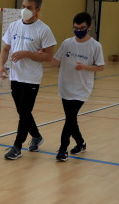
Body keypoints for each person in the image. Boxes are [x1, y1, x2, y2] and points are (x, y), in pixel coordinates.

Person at [0, 0, 56, 160]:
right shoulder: (14, 26)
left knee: (24, 111)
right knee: (22, 112)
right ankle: (36, 136)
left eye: (29, 8)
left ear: (37, 10)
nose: (24, 10)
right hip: (15, 76)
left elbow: (48, 57)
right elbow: (5, 49)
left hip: (31, 78)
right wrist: (2, 65)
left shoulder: (43, 30)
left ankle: (17, 146)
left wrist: (27, 54)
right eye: (23, 6)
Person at [44, 12, 105, 162]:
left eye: (82, 27)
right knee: (71, 119)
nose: (79, 30)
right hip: (65, 87)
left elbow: (101, 67)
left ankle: (63, 149)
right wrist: (42, 55)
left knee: (70, 119)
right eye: (76, 28)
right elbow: (54, 60)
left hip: (82, 88)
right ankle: (81, 143)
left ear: (89, 27)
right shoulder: (67, 43)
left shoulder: (95, 46)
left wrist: (85, 67)